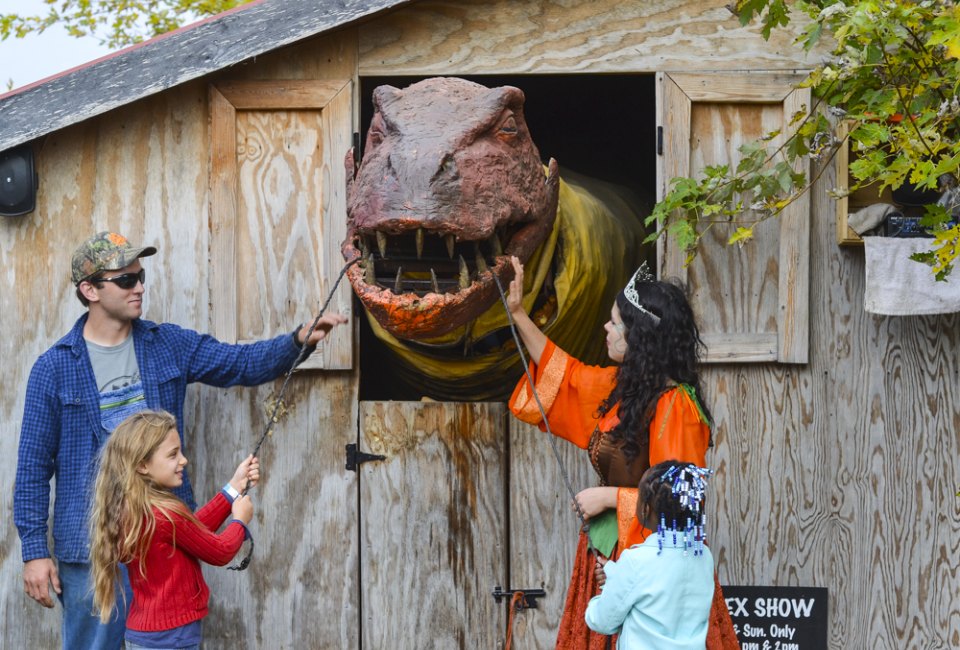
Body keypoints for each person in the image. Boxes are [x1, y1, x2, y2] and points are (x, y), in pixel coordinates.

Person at [14, 231, 348, 650]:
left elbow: (238, 363)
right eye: (125, 280)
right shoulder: (54, 368)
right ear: (90, 290)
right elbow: (31, 468)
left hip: (163, 547)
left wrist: (296, 342)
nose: (139, 287)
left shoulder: (166, 344)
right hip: (91, 549)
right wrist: (33, 551)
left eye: (141, 276)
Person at [505, 256, 739, 649]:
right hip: (605, 553)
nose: (606, 328)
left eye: (615, 323)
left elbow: (679, 506)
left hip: (648, 569)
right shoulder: (622, 387)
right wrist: (517, 314)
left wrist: (608, 497)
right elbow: (563, 376)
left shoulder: (675, 405)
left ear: (640, 337)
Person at [89, 409, 258, 650]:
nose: (183, 460)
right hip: (172, 638)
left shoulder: (135, 508)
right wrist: (239, 521)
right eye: (172, 454)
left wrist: (233, 488)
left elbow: (191, 531)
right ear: (142, 465)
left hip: (143, 635)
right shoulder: (165, 513)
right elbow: (219, 551)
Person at [585, 461, 716, 649]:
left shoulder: (635, 561)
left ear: (645, 509)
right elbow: (664, 586)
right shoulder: (704, 556)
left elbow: (603, 621)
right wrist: (615, 573)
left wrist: (603, 594)